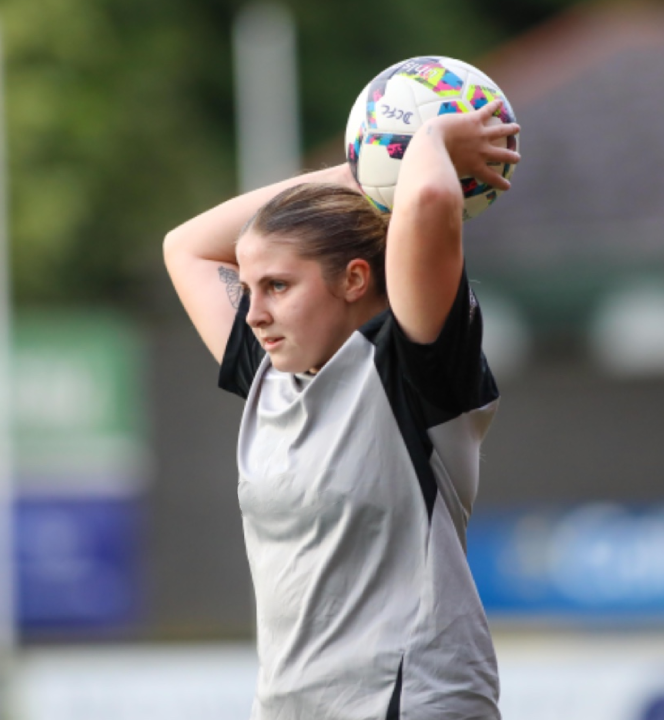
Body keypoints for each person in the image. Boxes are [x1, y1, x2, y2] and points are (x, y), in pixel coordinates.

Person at [163, 99, 520, 720]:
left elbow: (430, 203)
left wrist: (425, 138)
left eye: (277, 285)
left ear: (356, 280)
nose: (253, 312)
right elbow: (186, 246)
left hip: (414, 703)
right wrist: (366, 167)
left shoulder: (411, 368)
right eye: (248, 288)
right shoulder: (270, 374)